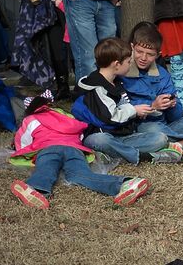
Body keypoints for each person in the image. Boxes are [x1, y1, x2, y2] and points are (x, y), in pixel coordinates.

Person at [9, 89, 150, 210]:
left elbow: (23, 140)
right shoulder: (68, 117)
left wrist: (21, 150)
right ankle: (124, 184)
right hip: (74, 150)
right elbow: (80, 134)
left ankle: (36, 188)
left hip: (49, 148)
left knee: (46, 169)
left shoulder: (32, 119)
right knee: (81, 175)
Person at [121, 23, 183, 163]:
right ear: (132, 47)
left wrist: (172, 105)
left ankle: (179, 145)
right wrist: (153, 106)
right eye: (139, 52)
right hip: (143, 127)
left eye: (150, 54)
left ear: (158, 55)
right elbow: (122, 109)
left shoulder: (162, 74)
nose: (143, 58)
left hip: (167, 126)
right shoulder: (123, 71)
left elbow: (177, 116)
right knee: (153, 129)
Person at [73, 37, 173, 166]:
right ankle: (142, 156)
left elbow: (124, 107)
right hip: (99, 134)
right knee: (100, 140)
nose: (130, 64)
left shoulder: (116, 81)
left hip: (120, 135)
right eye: (128, 61)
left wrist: (144, 110)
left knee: (160, 138)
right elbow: (109, 118)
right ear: (116, 64)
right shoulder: (96, 88)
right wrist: (134, 110)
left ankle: (112, 154)